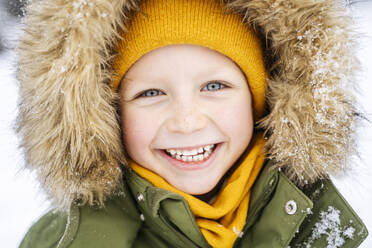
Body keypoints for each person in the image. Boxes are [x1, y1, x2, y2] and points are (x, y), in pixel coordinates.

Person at [17, 0, 368, 247]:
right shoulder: (65, 242)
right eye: (151, 93)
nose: (186, 121)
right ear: (103, 114)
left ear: (261, 98)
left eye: (214, 86)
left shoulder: (312, 223)